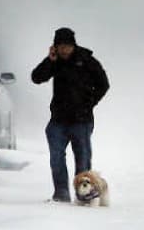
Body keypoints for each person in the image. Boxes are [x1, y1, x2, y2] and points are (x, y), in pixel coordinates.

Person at [31, 28, 110, 202]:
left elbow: (104, 84)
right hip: (58, 120)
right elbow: (36, 78)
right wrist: (49, 61)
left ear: (73, 45)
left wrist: (89, 103)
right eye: (61, 47)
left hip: (82, 121)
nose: (64, 50)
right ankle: (61, 194)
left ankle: (84, 196)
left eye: (67, 46)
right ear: (55, 47)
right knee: (56, 158)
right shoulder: (55, 61)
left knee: (82, 159)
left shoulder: (86, 60)